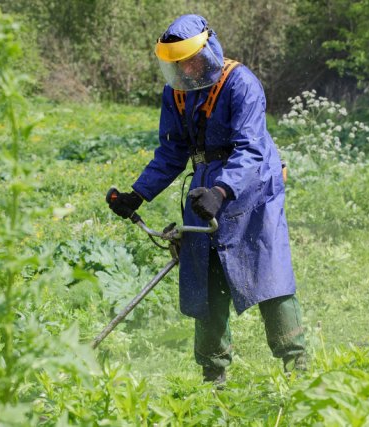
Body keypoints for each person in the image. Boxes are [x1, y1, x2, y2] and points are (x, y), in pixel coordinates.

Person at [107, 14, 306, 385]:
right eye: (177, 63)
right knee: (206, 277)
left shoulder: (241, 83)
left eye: (191, 59)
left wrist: (222, 191)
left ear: (209, 51)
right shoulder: (176, 93)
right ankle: (213, 375)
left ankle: (298, 366)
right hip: (205, 188)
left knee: (269, 274)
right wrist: (138, 194)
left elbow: (251, 150)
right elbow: (171, 152)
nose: (186, 68)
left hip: (252, 187)